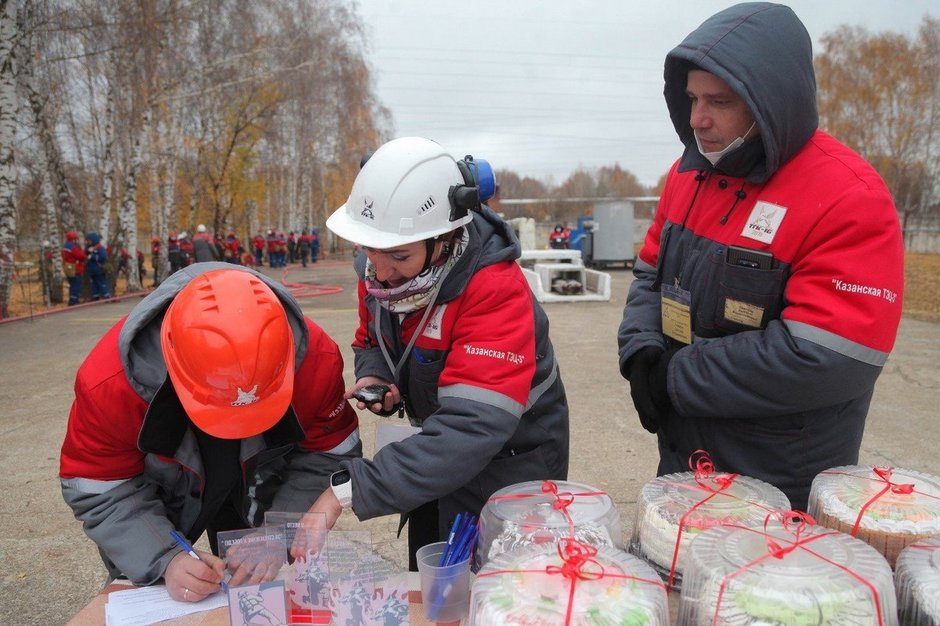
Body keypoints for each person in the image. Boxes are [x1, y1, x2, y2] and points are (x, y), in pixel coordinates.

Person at [617, 2, 904, 512]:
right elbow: (648, 276)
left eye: (719, 101)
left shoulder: (847, 195)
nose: (697, 119)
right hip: (687, 459)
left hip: (779, 480)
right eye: (691, 99)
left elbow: (826, 357)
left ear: (770, 100)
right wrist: (641, 351)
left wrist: (674, 378)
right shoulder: (688, 175)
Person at [293, 137, 570, 570]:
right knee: (433, 578)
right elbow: (372, 337)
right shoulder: (381, 270)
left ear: (443, 237)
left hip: (509, 461)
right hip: (431, 454)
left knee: (493, 585)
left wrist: (346, 490)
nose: (380, 273)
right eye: (369, 250)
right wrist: (376, 376)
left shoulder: (495, 289)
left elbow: (469, 429)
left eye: (399, 256)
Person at [59, 264, 361, 601]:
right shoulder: (110, 384)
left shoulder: (314, 361)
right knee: (155, 584)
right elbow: (101, 488)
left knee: (258, 590)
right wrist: (163, 557)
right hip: (161, 492)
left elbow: (328, 457)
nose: (239, 429)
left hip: (261, 478)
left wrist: (280, 530)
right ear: (173, 364)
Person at [84, 231, 111, 300]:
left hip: (99, 269)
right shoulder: (88, 248)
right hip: (92, 270)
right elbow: (84, 254)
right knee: (94, 283)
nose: (88, 242)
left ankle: (106, 295)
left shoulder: (99, 248)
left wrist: (92, 256)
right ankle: (95, 296)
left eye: (89, 241)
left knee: (101, 282)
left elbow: (103, 256)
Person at [62, 230, 87, 305]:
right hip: (75, 268)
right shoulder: (73, 247)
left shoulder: (65, 246)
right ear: (74, 239)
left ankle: (72, 299)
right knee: (76, 284)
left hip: (68, 268)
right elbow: (81, 256)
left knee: (72, 284)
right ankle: (74, 300)